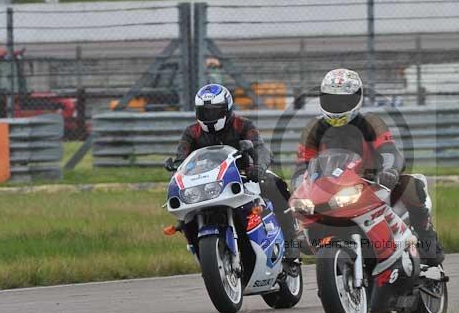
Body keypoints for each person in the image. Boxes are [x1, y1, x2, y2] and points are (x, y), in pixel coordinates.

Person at [292, 68, 444, 265]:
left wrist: (390, 171)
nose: (337, 106)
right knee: (297, 215)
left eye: (344, 101)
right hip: (331, 190)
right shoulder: (314, 129)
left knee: (411, 185)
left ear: (357, 99)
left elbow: (390, 152)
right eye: (331, 100)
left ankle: (428, 241)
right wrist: (300, 188)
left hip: (372, 184)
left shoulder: (371, 122)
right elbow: (301, 167)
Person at [165, 83, 298, 260]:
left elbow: (261, 149)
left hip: (243, 176)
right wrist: (176, 171)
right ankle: (197, 245)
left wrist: (258, 168)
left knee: (275, 184)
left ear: (227, 108)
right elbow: (182, 160)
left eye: (214, 111)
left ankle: (291, 243)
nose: (209, 116)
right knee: (186, 216)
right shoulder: (192, 132)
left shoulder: (242, 125)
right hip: (208, 183)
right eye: (204, 112)